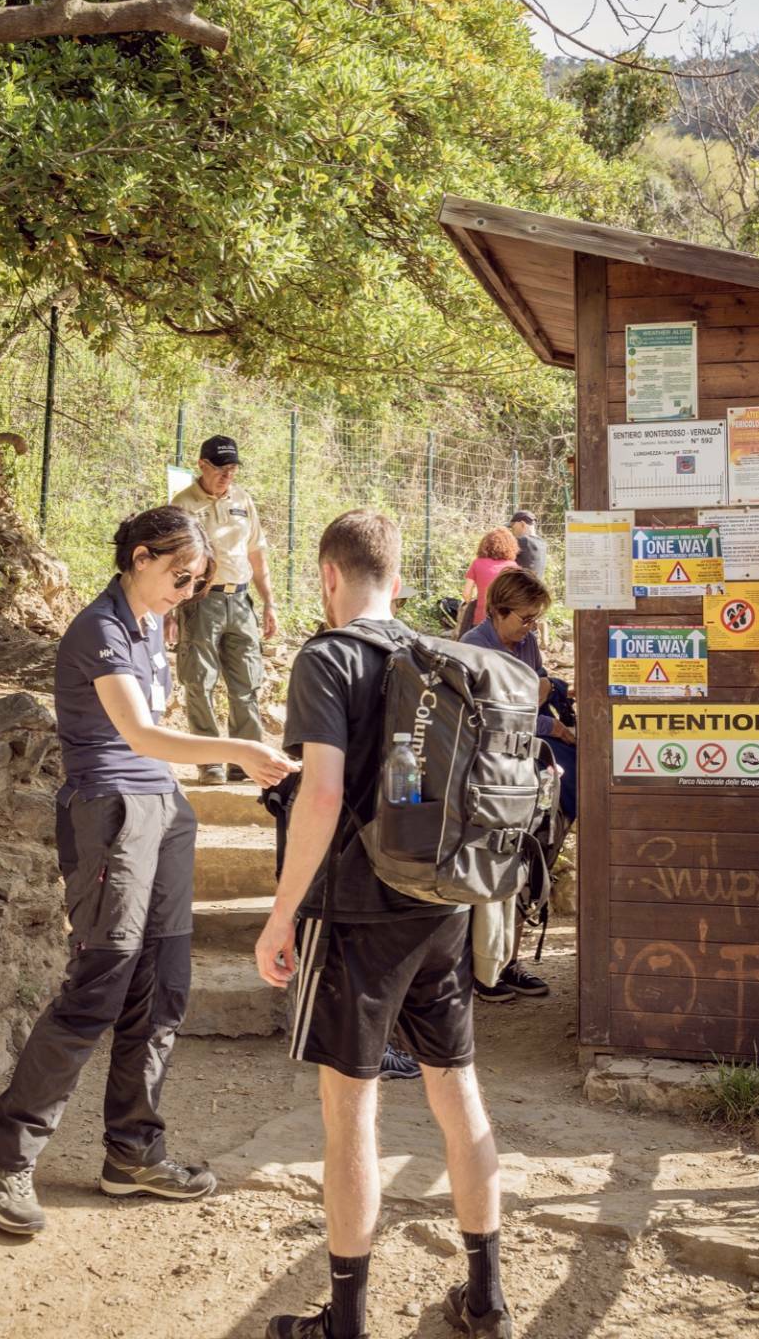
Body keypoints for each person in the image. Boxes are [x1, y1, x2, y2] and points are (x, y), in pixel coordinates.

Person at [0, 506, 296, 1236]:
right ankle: (4, 1157)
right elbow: (140, 733)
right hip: (109, 815)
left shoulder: (155, 623)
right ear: (141, 556)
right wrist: (240, 749)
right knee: (99, 985)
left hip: (163, 811)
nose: (188, 590)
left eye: (199, 581)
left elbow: (156, 731)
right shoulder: (100, 628)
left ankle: (133, 1154)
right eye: (181, 576)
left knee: (164, 987)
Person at [256, 510, 512, 1339]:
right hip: (439, 902)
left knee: (350, 1111)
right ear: (395, 579)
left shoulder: (327, 658)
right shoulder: (430, 657)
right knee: (455, 1088)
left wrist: (281, 912)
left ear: (328, 575)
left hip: (357, 914)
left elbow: (322, 795)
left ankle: (346, 1323)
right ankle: (485, 1300)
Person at [462, 566, 576, 1005]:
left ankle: (509, 961)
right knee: (495, 868)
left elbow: (537, 689)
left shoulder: (524, 642)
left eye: (535, 620)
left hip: (526, 765)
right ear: (497, 611)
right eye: (525, 619)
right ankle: (484, 970)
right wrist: (551, 723)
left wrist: (540, 697)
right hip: (492, 772)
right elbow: (492, 716)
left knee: (531, 863)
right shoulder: (474, 648)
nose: (531, 629)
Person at [169, 436, 277, 784]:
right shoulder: (183, 504)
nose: (227, 476)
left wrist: (269, 603)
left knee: (246, 682)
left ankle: (246, 760)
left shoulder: (243, 499)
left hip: (241, 600)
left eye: (232, 469)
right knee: (199, 681)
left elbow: (256, 554)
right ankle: (210, 760)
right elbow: (175, 560)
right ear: (202, 465)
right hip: (201, 600)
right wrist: (171, 609)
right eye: (220, 469)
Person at [461, 528, 520, 627]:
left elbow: (466, 594)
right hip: (505, 622)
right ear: (512, 547)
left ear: (485, 545)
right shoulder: (513, 567)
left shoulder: (477, 563)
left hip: (481, 620)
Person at [509, 510, 547, 580]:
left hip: (521, 588)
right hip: (536, 587)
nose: (511, 530)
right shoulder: (542, 543)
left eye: (512, 526)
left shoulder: (523, 541)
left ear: (522, 524)